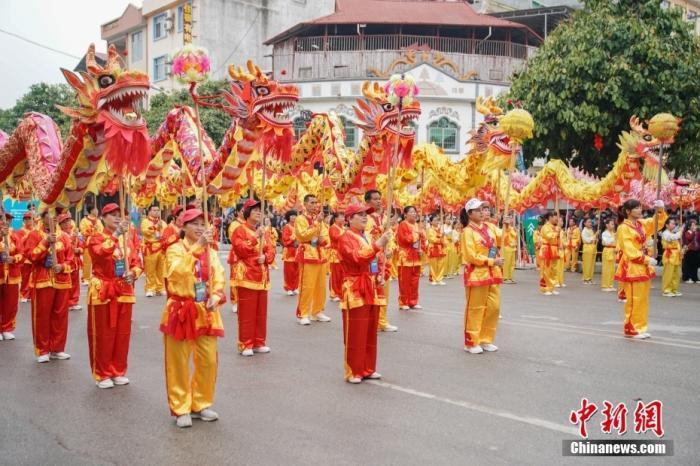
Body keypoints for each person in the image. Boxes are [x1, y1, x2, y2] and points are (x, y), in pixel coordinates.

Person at [161, 209, 225, 428]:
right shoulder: (174, 249)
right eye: (194, 223)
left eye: (202, 223)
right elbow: (175, 272)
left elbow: (219, 275)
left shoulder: (212, 252)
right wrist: (197, 248)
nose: (199, 227)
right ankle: (181, 407)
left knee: (208, 360)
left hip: (205, 311)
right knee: (178, 361)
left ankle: (201, 403)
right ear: (184, 226)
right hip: (181, 309)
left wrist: (216, 295)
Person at [86, 204, 142, 388]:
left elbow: (137, 263)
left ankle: (118, 370)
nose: (118, 218)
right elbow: (100, 253)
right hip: (103, 289)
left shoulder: (128, 241)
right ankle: (102, 373)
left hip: (124, 289)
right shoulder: (95, 237)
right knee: (103, 333)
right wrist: (116, 234)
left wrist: (132, 273)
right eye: (113, 215)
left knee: (122, 334)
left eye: (120, 215)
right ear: (103, 218)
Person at [338, 203, 392, 383]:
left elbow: (372, 260)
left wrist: (380, 275)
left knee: (370, 330)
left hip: (371, 286)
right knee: (356, 331)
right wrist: (378, 245)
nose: (364, 217)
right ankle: (354, 370)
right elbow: (357, 257)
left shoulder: (366, 236)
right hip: (354, 287)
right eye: (359, 214)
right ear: (349, 218)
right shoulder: (345, 237)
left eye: (365, 214)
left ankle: (368, 368)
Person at [24, 210, 74, 362]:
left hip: (61, 281)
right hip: (42, 280)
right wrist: (45, 242)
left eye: (55, 215)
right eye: (49, 215)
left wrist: (62, 267)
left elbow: (71, 260)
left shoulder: (64, 237)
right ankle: (42, 350)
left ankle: (57, 348)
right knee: (42, 316)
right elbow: (31, 256)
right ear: (43, 217)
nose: (52, 217)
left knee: (60, 316)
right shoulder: (35, 235)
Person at [615, 199, 666, 339]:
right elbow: (629, 250)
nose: (640, 210)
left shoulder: (641, 224)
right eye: (636, 208)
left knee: (643, 299)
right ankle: (631, 328)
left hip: (643, 266)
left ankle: (640, 327)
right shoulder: (623, 228)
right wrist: (647, 259)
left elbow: (656, 224)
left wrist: (660, 210)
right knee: (634, 299)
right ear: (628, 211)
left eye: (640, 207)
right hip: (632, 266)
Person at [231, 200, 275, 356]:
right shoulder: (239, 230)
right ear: (247, 212)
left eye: (259, 210)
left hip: (262, 276)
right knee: (247, 314)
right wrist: (255, 237)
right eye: (255, 210)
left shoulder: (263, 230)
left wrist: (266, 257)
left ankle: (259, 342)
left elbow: (271, 249)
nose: (258, 212)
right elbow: (240, 250)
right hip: (247, 275)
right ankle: (245, 343)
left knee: (261, 313)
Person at [460, 199, 503, 354]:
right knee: (475, 309)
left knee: (494, 307)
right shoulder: (467, 232)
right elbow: (471, 256)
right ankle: (471, 342)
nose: (482, 212)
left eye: (483, 209)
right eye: (478, 210)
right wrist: (491, 261)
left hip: (493, 272)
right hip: (477, 274)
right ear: (470, 214)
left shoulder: (489, 227)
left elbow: (501, 239)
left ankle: (486, 339)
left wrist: (506, 223)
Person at [295, 194, 330, 325]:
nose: (314, 205)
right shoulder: (301, 219)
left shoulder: (319, 219)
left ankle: (317, 311)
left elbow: (326, 235)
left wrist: (324, 240)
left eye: (316, 202)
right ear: (305, 204)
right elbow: (302, 235)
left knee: (321, 286)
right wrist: (317, 223)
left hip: (320, 254)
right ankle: (303, 313)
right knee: (307, 286)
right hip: (308, 254)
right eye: (311, 202)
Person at [365, 190, 397, 332]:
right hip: (372, 259)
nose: (379, 201)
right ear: (368, 201)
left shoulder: (385, 217)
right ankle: (371, 321)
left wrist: (391, 248)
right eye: (375, 199)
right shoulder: (365, 218)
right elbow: (366, 239)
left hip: (384, 260)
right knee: (372, 289)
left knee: (384, 290)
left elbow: (391, 237)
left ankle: (382, 321)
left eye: (379, 198)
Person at [0, 214, 23, 340]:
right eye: (3, 219)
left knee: (11, 303)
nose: (6, 222)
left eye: (8, 220)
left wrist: (13, 258)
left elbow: (22, 253)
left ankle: (7, 327)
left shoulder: (15, 236)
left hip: (12, 275)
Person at [396, 206, 424, 310]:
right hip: (406, 256)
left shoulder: (417, 225)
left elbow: (422, 240)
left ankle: (413, 301)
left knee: (415, 281)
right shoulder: (403, 225)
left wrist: (422, 239)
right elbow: (405, 239)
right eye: (411, 212)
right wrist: (417, 235)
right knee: (405, 281)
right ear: (405, 214)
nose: (414, 214)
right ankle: (404, 302)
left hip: (416, 256)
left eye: (415, 212)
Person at [58, 213, 84, 311]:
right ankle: (66, 302)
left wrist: (79, 250)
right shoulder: (60, 235)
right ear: (60, 225)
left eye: (68, 221)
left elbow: (82, 246)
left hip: (75, 262)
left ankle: (73, 302)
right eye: (63, 222)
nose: (66, 224)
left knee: (75, 283)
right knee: (67, 283)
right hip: (66, 262)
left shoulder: (75, 233)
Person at [141, 205, 166, 297]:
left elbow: (166, 233)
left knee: (160, 270)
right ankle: (150, 288)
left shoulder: (162, 222)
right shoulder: (145, 222)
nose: (156, 212)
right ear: (149, 211)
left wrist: (161, 228)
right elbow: (145, 231)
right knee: (150, 270)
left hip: (161, 248)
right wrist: (156, 227)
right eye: (154, 210)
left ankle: (160, 288)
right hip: (150, 248)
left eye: (158, 210)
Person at [226, 204, 245, 313]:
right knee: (235, 278)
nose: (244, 212)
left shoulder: (248, 224)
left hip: (247, 254)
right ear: (237, 212)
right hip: (236, 254)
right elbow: (235, 240)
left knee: (244, 278)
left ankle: (243, 300)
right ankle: (235, 301)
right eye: (242, 211)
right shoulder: (234, 224)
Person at [538, 212, 561, 296]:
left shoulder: (555, 227)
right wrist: (556, 232)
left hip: (554, 249)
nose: (557, 219)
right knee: (546, 270)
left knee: (553, 270)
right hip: (546, 249)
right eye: (555, 217)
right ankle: (545, 288)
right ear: (550, 218)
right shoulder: (545, 227)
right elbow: (549, 236)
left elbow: (558, 239)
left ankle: (552, 287)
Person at [79, 204, 103, 285]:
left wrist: (96, 232)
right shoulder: (84, 220)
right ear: (91, 210)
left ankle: (96, 276)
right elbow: (83, 231)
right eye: (95, 209)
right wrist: (92, 230)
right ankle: (86, 278)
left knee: (97, 261)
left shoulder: (99, 221)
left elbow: (101, 231)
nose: (97, 211)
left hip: (97, 243)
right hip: (88, 243)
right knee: (87, 261)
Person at [661, 217, 683, 297]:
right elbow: (672, 237)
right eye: (672, 223)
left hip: (676, 255)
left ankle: (674, 289)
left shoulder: (673, 233)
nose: (674, 225)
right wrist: (680, 232)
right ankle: (666, 290)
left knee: (676, 274)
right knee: (668, 274)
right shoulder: (665, 233)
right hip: (669, 256)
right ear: (667, 225)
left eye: (674, 223)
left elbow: (676, 240)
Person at [16, 212, 35, 303]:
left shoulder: (35, 230)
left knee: (33, 277)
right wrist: (29, 235)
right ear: (24, 220)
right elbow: (20, 243)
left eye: (30, 219)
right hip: (25, 258)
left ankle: (31, 294)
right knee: (25, 277)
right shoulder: (21, 231)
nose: (28, 221)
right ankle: (24, 294)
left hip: (34, 257)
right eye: (26, 219)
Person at [281, 210, 299, 295]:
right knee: (289, 271)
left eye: (295, 216)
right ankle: (288, 288)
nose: (293, 217)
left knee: (296, 270)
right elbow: (285, 240)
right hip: (289, 251)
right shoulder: (286, 227)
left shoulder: (298, 226)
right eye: (291, 216)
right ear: (288, 217)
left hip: (297, 251)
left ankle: (295, 287)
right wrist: (293, 238)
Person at [328, 212, 346, 302]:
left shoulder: (343, 228)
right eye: (341, 217)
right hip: (335, 254)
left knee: (342, 275)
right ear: (335, 219)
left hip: (343, 254)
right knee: (335, 275)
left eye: (344, 217)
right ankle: (334, 293)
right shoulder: (333, 228)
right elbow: (335, 237)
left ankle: (340, 292)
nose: (343, 218)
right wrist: (346, 234)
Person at [427, 215, 447, 285]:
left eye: (437, 220)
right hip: (433, 248)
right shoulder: (430, 230)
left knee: (441, 264)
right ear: (431, 222)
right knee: (433, 264)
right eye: (434, 220)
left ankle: (440, 278)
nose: (436, 222)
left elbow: (444, 240)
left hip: (441, 248)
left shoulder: (440, 229)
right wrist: (441, 238)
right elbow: (432, 239)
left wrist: (444, 240)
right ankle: (434, 279)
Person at [600, 218, 617, 292]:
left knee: (612, 269)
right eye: (611, 224)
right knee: (606, 269)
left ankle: (610, 285)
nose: (613, 225)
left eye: (613, 224)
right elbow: (607, 242)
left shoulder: (613, 233)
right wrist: (614, 238)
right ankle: (605, 285)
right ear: (607, 225)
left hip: (613, 251)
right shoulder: (604, 233)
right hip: (607, 250)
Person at [682, 219, 699, 283]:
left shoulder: (696, 232)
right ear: (689, 226)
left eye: (695, 225)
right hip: (689, 250)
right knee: (688, 265)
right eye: (693, 225)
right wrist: (694, 232)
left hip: (696, 250)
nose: (695, 226)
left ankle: (695, 278)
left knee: (695, 265)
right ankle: (687, 277)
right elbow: (689, 238)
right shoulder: (687, 232)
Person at [501, 215, 517, 284]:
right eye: (508, 218)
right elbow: (506, 228)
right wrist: (506, 223)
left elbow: (515, 237)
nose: (510, 219)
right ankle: (505, 278)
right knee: (506, 263)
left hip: (513, 248)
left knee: (512, 264)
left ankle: (510, 277)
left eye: (510, 218)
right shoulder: (505, 227)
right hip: (507, 248)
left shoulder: (513, 228)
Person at [581, 218, 597, 284]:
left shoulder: (591, 230)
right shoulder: (584, 231)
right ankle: (586, 279)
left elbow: (593, 239)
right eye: (588, 222)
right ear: (584, 223)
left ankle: (590, 278)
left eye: (591, 222)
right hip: (587, 248)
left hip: (592, 248)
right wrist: (595, 235)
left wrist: (596, 239)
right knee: (587, 264)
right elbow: (587, 240)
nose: (590, 223)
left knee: (592, 264)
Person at [555, 216, 566, 288]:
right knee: (557, 267)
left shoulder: (562, 231)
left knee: (561, 267)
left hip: (562, 251)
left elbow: (564, 241)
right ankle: (556, 281)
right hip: (556, 250)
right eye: (560, 221)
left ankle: (561, 281)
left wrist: (565, 244)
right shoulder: (555, 230)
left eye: (562, 221)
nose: (561, 222)